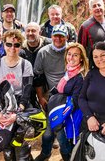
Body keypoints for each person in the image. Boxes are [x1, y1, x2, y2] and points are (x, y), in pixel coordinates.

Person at [0, 29, 34, 161]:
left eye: (16, 45)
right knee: (7, 149)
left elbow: (26, 92)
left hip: (20, 107)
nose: (12, 48)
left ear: (21, 46)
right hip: (2, 106)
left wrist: (17, 114)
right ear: (3, 44)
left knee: (22, 150)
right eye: (9, 44)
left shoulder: (26, 65)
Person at [34, 24, 72, 161]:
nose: (58, 38)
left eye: (62, 36)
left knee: (62, 133)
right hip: (52, 98)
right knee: (48, 133)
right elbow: (37, 77)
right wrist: (40, 97)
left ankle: (67, 156)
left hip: (70, 97)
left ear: (66, 37)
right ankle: (46, 153)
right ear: (51, 36)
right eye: (56, 35)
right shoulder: (43, 52)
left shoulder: (72, 50)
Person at [55, 42, 89, 145]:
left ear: (81, 58)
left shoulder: (80, 77)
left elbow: (75, 101)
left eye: (75, 55)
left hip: (75, 115)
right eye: (69, 54)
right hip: (67, 111)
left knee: (74, 142)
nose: (71, 57)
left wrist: (60, 116)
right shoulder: (69, 71)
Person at [21, 22, 51, 108]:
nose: (30, 33)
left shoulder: (49, 44)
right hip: (27, 87)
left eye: (33, 31)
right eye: (28, 31)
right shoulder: (19, 47)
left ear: (40, 32)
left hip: (46, 85)